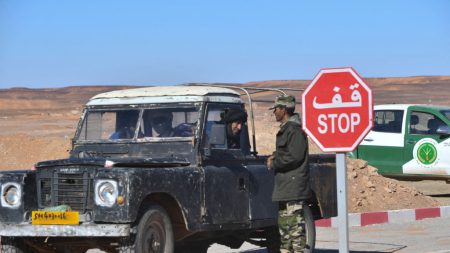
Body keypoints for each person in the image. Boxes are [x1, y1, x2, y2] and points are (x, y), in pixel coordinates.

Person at [266, 95, 312, 253]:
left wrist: (275, 162)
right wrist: (275, 155)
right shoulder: (287, 129)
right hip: (286, 186)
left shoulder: (294, 130)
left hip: (293, 186)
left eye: (276, 110)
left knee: (295, 231)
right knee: (285, 230)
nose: (274, 113)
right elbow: (287, 152)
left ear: (283, 110)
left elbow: (295, 156)